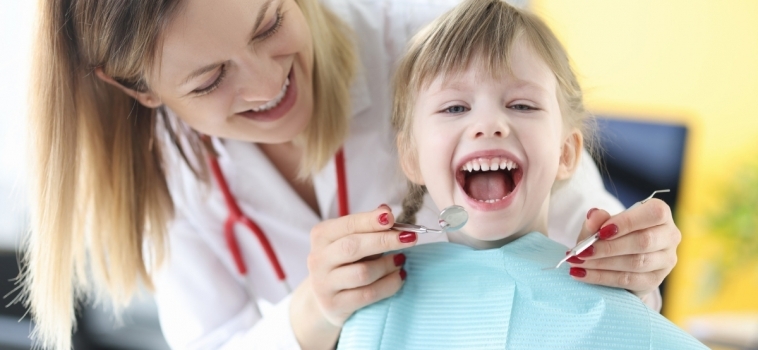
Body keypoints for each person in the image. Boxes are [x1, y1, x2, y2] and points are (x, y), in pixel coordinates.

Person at [23, 0, 681, 349]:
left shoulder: (439, 37)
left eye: (270, 22)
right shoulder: (168, 171)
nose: (266, 82)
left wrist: (630, 257)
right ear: (140, 91)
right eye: (210, 78)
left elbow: (574, 225)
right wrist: (313, 314)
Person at [338, 1, 704, 348]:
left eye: (522, 105)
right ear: (411, 156)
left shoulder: (614, 311)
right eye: (454, 107)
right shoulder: (374, 309)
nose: (488, 124)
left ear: (566, 152)